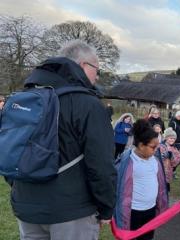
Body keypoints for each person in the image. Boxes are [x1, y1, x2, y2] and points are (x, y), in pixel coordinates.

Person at [10, 40, 116, 240]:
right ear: (84, 65)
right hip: (71, 212)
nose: (97, 76)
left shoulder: (26, 98)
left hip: (27, 206)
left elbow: (10, 148)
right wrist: (106, 207)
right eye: (97, 69)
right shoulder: (88, 104)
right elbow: (101, 164)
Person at [114, 119, 168, 240]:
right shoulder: (127, 162)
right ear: (141, 145)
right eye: (153, 147)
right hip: (133, 212)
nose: (156, 150)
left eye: (157, 147)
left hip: (150, 210)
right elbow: (116, 187)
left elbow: (161, 185)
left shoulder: (155, 160)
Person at [157, 127, 180, 192]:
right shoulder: (160, 146)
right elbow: (155, 158)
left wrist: (171, 157)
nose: (172, 140)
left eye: (174, 138)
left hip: (168, 173)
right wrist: (162, 156)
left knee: (166, 191)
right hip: (159, 172)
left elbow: (175, 163)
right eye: (170, 138)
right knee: (158, 190)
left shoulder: (175, 149)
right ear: (166, 138)